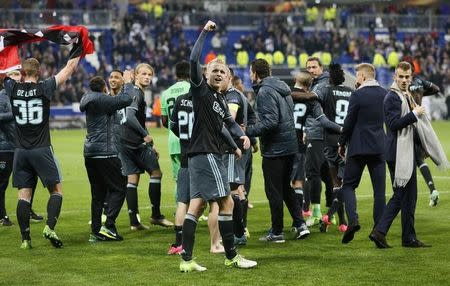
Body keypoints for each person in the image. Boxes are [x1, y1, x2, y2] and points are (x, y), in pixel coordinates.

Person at [179, 20, 256, 272]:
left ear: (228, 77)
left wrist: (240, 140)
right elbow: (192, 60)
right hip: (206, 153)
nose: (219, 74)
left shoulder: (220, 100)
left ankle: (187, 260)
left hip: (204, 154)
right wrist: (203, 32)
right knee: (227, 202)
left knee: (196, 205)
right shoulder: (201, 91)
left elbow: (226, 126)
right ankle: (232, 256)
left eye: (223, 71)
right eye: (214, 70)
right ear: (205, 73)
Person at [4, 54, 80, 249]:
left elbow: (4, 73)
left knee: (23, 196)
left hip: (20, 151)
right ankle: (49, 227)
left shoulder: (11, 87)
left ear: (21, 73)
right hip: (41, 148)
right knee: (56, 191)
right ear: (39, 72)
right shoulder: (45, 87)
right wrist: (78, 47)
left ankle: (25, 239)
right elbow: (68, 69)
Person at [370, 61, 448, 248]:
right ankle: (379, 231)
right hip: (397, 153)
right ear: (395, 77)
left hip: (406, 152)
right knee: (401, 195)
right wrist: (414, 113)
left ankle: (409, 237)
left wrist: (422, 146)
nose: (404, 80)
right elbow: (394, 124)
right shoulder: (392, 97)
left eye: (407, 77)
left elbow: (413, 127)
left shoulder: (406, 95)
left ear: (410, 78)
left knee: (410, 197)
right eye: (401, 77)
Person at [246, 58, 310, 243]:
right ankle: (300, 224)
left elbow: (271, 122)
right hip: (290, 145)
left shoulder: (265, 91)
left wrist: (248, 131)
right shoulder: (283, 88)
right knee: (285, 188)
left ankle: (277, 232)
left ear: (255, 73)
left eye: (251, 72)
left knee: (274, 191)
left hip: (275, 149)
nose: (251, 75)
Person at [118, 63, 173, 230]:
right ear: (135, 75)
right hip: (136, 143)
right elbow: (129, 116)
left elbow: (134, 119)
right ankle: (156, 216)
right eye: (143, 74)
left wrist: (152, 144)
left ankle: (134, 222)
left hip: (123, 142)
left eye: (149, 74)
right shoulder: (136, 92)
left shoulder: (129, 91)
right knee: (156, 173)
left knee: (132, 179)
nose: (147, 77)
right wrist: (145, 136)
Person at [80, 75, 133, 242]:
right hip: (106, 153)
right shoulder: (104, 100)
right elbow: (126, 99)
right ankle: (108, 225)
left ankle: (95, 231)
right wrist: (128, 83)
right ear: (103, 88)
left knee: (98, 194)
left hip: (90, 153)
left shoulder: (86, 98)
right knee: (119, 188)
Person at [338, 63, 387, 244]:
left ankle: (353, 221)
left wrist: (341, 143)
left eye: (357, 75)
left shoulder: (357, 95)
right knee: (379, 192)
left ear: (363, 77)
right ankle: (378, 231)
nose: (356, 79)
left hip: (358, 147)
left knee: (349, 186)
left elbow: (349, 122)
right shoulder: (385, 94)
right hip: (379, 148)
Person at [291, 70, 343, 233]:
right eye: (309, 67)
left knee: (312, 175)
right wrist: (342, 128)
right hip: (303, 142)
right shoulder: (314, 97)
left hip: (294, 141)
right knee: (317, 177)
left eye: (314, 66)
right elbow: (323, 120)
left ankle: (312, 215)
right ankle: (303, 221)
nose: (312, 69)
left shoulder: (287, 93)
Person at [0, 70, 43, 226]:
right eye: (15, 74)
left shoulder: (23, 95)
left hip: (25, 145)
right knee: (2, 182)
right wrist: (15, 113)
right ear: (7, 78)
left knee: (31, 179)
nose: (18, 77)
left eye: (19, 74)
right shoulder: (2, 96)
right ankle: (2, 215)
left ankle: (28, 209)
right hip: (6, 147)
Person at [319, 63, 353, 233]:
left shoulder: (326, 91)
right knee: (344, 183)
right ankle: (338, 219)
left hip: (330, 140)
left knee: (336, 183)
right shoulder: (351, 92)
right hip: (346, 141)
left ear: (330, 78)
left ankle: (337, 219)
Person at [408, 73, 441, 206]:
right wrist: (424, 90)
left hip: (410, 120)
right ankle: (432, 189)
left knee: (413, 159)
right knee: (419, 158)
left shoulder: (406, 84)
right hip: (422, 120)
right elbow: (437, 89)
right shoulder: (420, 83)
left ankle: (405, 194)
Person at [161, 61, 191, 201]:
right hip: (191, 139)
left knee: (179, 179)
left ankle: (180, 210)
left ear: (176, 74)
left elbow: (165, 121)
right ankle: (193, 211)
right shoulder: (192, 89)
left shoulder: (166, 93)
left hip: (173, 140)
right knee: (194, 176)